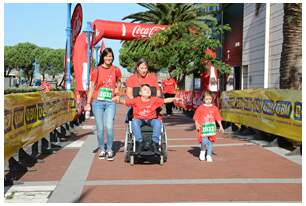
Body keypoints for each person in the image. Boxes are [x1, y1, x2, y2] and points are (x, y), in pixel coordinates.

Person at [113, 84, 181, 153]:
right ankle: (139, 143)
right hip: (139, 119)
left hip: (151, 119)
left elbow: (165, 100)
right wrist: (118, 100)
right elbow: (124, 101)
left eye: (149, 89)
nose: (148, 91)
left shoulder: (154, 99)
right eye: (145, 89)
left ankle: (155, 143)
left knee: (158, 122)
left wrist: (174, 99)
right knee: (134, 122)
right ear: (140, 93)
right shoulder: (136, 100)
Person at [85, 48, 122, 161]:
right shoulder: (97, 70)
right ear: (103, 57)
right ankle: (102, 149)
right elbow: (91, 87)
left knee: (109, 127)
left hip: (110, 102)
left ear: (112, 57)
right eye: (106, 56)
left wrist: (117, 90)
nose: (108, 58)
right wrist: (88, 103)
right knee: (100, 128)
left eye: (110, 56)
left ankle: (110, 149)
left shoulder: (116, 69)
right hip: (97, 102)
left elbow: (120, 82)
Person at [125, 58, 161, 122]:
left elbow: (158, 93)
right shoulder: (132, 78)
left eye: (145, 68)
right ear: (137, 68)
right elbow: (129, 93)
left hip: (151, 107)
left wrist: (151, 104)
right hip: (137, 107)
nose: (144, 70)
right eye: (141, 68)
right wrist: (139, 104)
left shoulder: (152, 78)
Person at [193, 91, 224, 162]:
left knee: (210, 142)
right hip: (203, 128)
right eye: (206, 99)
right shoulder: (200, 108)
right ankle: (203, 151)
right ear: (203, 99)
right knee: (204, 141)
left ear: (212, 99)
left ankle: (209, 155)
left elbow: (218, 118)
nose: (208, 101)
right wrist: (197, 125)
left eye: (210, 99)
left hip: (212, 128)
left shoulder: (215, 108)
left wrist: (221, 126)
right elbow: (196, 117)